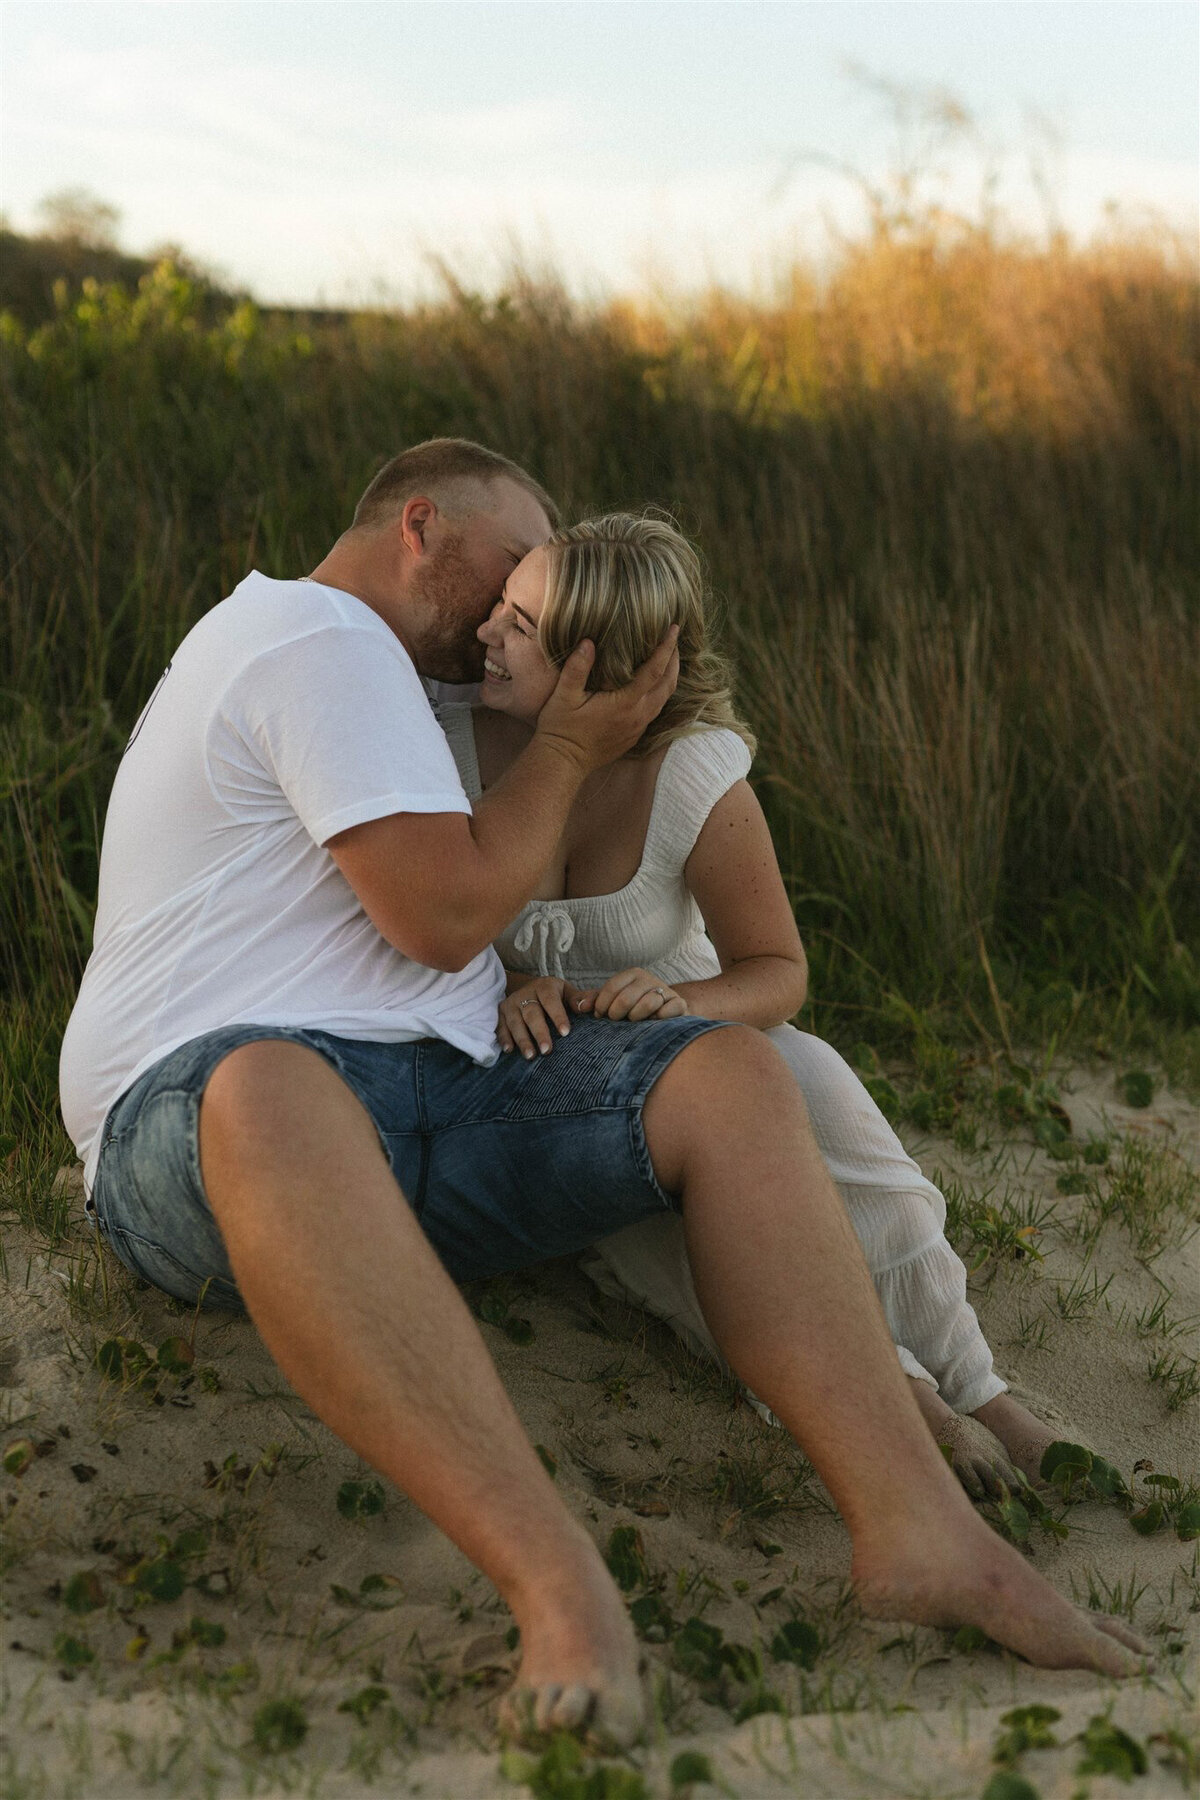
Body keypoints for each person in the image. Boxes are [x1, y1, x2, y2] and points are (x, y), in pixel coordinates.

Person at [59, 440, 1147, 1752]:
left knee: (729, 1076)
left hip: (436, 1112)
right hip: (201, 1131)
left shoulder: (412, 691)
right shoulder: (311, 636)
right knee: (272, 1082)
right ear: (422, 528)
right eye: (512, 561)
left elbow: (486, 915)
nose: (529, 594)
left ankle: (921, 1527)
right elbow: (442, 912)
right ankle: (560, 1590)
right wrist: (572, 747)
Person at [443, 510, 1063, 1495]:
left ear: (587, 665)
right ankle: (906, 1401)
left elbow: (778, 968)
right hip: (568, 1094)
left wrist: (682, 998)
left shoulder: (691, 771)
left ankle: (984, 1392)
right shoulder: (445, 747)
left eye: (519, 624)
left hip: (699, 1040)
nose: (485, 631)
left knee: (818, 1078)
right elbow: (407, 921)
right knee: (687, 1238)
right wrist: (503, 981)